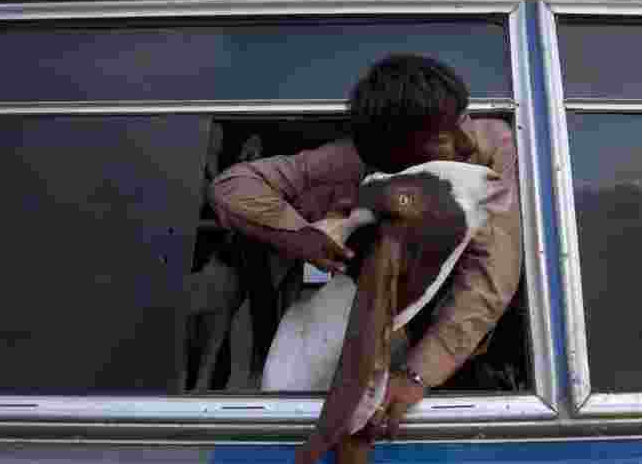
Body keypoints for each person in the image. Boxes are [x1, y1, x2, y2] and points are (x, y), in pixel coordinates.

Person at [210, 53, 522, 436]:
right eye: (444, 137)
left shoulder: (496, 150)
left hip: (466, 358)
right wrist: (302, 237)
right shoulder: (352, 161)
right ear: (401, 152)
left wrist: (417, 375)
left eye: (464, 118)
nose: (467, 140)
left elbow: (491, 274)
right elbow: (232, 187)